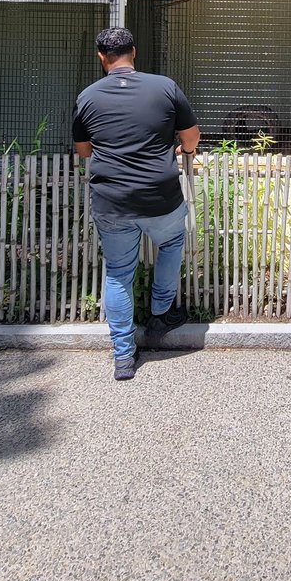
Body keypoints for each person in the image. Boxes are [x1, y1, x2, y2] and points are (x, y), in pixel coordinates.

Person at [72, 26, 200, 381]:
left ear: (102, 57)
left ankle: (124, 356)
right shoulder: (164, 87)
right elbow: (191, 136)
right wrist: (185, 152)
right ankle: (160, 315)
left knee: (118, 273)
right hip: (160, 196)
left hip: (112, 200)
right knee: (172, 242)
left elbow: (84, 151)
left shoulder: (88, 97)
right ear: (134, 51)